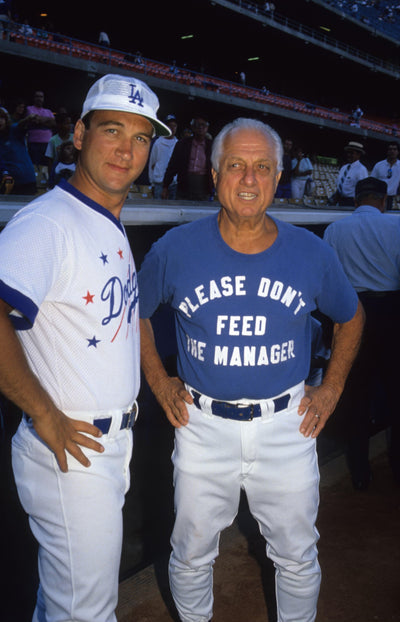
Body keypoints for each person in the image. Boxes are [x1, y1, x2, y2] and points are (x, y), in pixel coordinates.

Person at [138, 117, 364, 622]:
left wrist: (331, 389)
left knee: (298, 556)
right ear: (215, 174)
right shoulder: (175, 248)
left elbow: (351, 316)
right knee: (192, 552)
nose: (248, 179)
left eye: (262, 167)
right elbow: (135, 312)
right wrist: (158, 378)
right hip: (201, 426)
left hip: (287, 424)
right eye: (235, 165)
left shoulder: (312, 251)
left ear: (278, 177)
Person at [0, 73, 170, 622]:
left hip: (105, 445)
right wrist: (43, 413)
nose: (126, 148)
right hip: (72, 447)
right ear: (80, 135)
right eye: (112, 129)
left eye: (141, 137)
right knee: (87, 612)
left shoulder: (106, 220)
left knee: (65, 602)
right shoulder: (49, 221)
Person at [324, 176, 400, 490]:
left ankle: (359, 472)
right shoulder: (396, 226)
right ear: (383, 200)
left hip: (351, 312)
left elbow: (327, 280)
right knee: (396, 394)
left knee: (356, 394)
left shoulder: (334, 229)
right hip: (391, 312)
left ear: (356, 200)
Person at [0, 105, 37, 195]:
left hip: (26, 180)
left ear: (6, 119)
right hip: (6, 183)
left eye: (2, 118)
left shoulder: (14, 131)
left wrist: (28, 119)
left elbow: (21, 124)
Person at [163, 115, 214, 200]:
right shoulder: (182, 144)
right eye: (198, 125)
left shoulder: (212, 146)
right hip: (184, 185)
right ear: (193, 127)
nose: (200, 128)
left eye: (203, 125)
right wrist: (165, 187)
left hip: (203, 187)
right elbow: (172, 166)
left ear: (207, 128)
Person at [328, 140, 368, 206]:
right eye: (348, 153)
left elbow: (363, 190)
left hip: (351, 202)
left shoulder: (362, 170)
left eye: (352, 153)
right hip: (340, 199)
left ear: (358, 155)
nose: (349, 155)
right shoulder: (344, 168)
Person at [148, 113, 178, 199]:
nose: (172, 128)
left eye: (174, 126)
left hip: (173, 184)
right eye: (169, 126)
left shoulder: (178, 143)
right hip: (159, 183)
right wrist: (152, 183)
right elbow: (152, 164)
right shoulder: (158, 143)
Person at [26, 90, 56, 167]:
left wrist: (40, 120)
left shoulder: (48, 111)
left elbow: (54, 123)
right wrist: (48, 120)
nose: (39, 98)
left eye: (41, 97)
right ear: (34, 98)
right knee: (35, 166)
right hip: (34, 142)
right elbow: (35, 121)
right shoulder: (29, 109)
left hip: (47, 142)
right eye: (37, 96)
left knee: (47, 166)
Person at [370, 141, 400, 210]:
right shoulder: (379, 165)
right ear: (387, 151)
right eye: (390, 149)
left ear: (398, 152)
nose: (392, 151)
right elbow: (372, 181)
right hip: (379, 197)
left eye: (395, 149)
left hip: (393, 199)